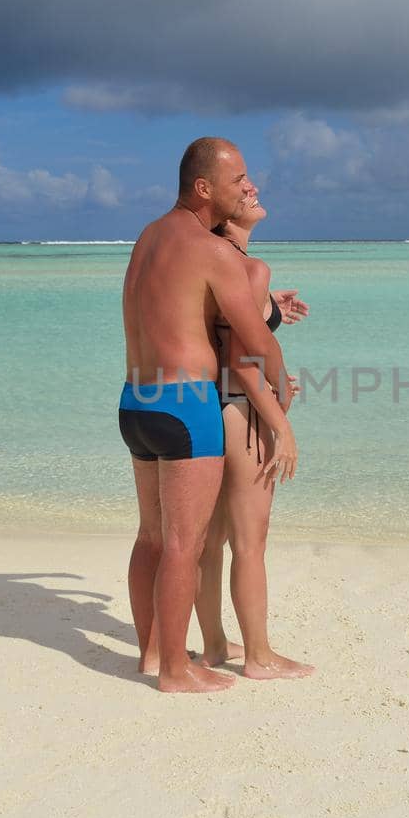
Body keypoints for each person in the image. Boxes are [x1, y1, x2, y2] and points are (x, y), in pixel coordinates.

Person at [118, 138, 297, 693]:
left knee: (152, 537)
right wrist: (281, 393)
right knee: (184, 545)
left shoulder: (149, 237)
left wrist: (268, 310)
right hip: (185, 406)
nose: (246, 184)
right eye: (237, 177)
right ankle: (176, 670)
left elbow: (185, 307)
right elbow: (255, 344)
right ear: (204, 188)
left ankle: (151, 654)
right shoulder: (213, 251)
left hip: (135, 401)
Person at [193, 198, 315, 679]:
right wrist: (281, 423)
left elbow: (225, 333)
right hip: (241, 412)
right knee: (249, 542)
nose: (254, 193)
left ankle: (214, 647)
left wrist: (271, 311)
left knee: (211, 541)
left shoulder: (208, 261)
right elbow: (243, 364)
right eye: (243, 191)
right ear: (226, 212)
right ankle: (261, 659)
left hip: (206, 407)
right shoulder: (251, 267)